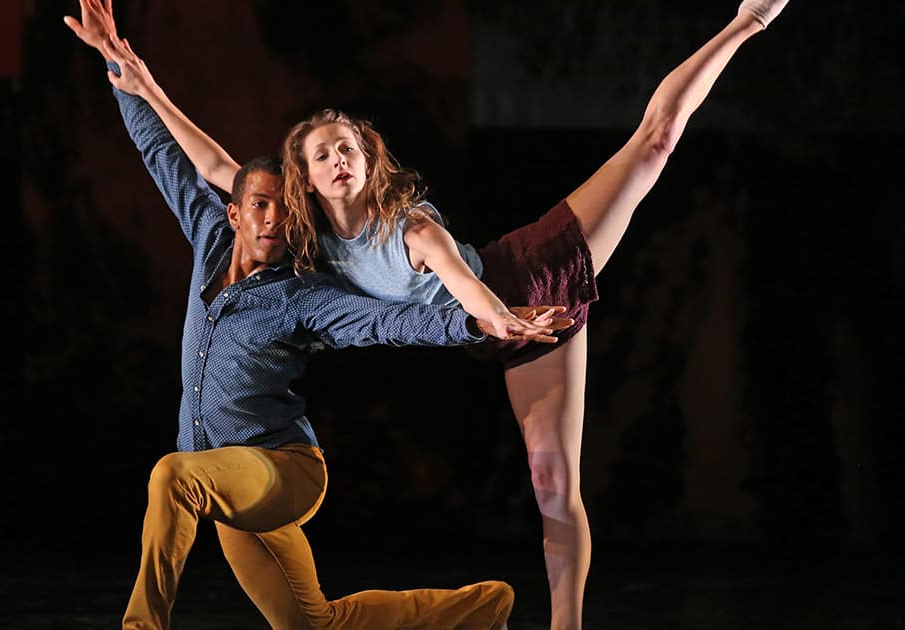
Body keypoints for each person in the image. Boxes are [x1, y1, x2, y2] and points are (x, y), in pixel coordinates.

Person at [74, 1, 792, 627]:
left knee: (652, 144)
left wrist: (499, 318)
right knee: (544, 490)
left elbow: (459, 282)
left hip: (521, 285)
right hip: (486, 333)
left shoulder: (408, 226)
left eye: (347, 146)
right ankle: (491, 611)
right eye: (322, 154)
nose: (337, 159)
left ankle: (747, 19)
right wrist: (136, 78)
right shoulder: (301, 234)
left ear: (367, 158)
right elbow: (212, 165)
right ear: (308, 178)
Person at [64, 3, 574, 628]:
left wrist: (475, 322)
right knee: (311, 625)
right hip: (223, 480)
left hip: (281, 472)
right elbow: (163, 152)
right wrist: (119, 63)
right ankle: (481, 608)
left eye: (285, 209)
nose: (273, 219)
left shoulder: (304, 293)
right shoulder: (207, 237)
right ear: (234, 211)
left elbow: (391, 323)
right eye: (259, 205)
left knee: (173, 476)